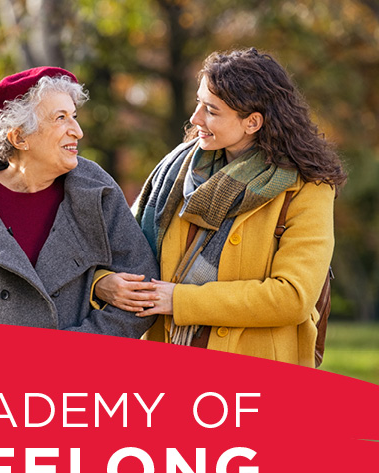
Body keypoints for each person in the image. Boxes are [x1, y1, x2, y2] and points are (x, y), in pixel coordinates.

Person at [94, 48, 346, 366]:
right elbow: (120, 250)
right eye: (199, 103)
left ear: (252, 122)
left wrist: (180, 300)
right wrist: (102, 282)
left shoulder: (307, 189)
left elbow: (292, 297)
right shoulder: (176, 173)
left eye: (211, 110)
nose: (195, 118)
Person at [0, 66, 159, 337]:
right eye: (61, 118)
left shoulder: (96, 190)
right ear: (19, 137)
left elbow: (143, 288)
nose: (78, 131)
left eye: (74, 116)